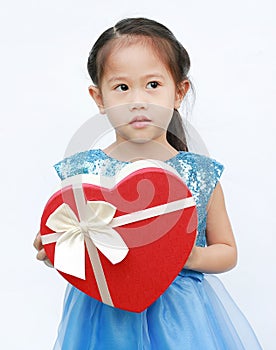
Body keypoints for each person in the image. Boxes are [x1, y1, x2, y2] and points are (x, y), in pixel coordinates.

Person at [33, 17, 262, 349]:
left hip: (181, 318)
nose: (137, 100)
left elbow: (227, 251)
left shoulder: (197, 175)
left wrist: (183, 256)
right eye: (122, 87)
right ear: (99, 98)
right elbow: (78, 245)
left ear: (179, 92)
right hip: (104, 316)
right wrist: (59, 248)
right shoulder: (85, 174)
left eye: (153, 85)